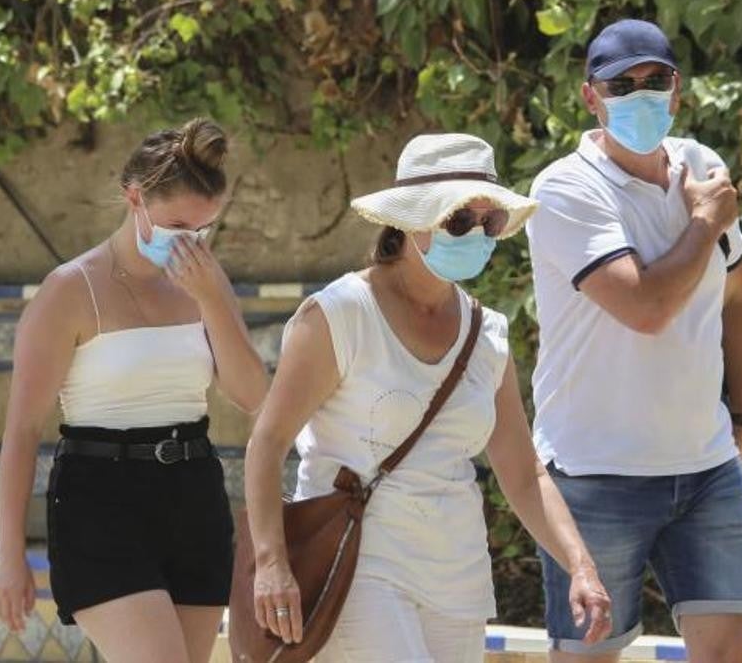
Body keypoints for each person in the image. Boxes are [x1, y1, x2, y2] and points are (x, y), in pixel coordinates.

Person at [244, 133, 613, 663]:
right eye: (459, 220)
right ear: (411, 221)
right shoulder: (341, 313)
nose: (477, 235)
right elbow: (268, 441)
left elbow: (523, 471)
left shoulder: (488, 334)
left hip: (457, 577)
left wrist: (581, 566)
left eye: (489, 223)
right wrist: (271, 563)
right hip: (358, 567)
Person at [525, 19, 742, 663]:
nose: (639, 94)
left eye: (653, 80)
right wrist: (706, 219)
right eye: (621, 84)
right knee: (587, 657)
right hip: (594, 473)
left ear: (676, 90)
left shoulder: (700, 166)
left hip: (707, 468)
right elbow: (647, 306)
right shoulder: (563, 189)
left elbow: (739, 301)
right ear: (590, 97)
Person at [0, 118, 267, 663]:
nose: (190, 243)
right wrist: (9, 555)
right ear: (133, 198)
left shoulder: (207, 281)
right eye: (178, 226)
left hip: (194, 492)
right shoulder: (70, 289)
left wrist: (210, 299)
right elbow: (21, 432)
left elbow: (254, 394)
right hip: (100, 497)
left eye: (203, 230)